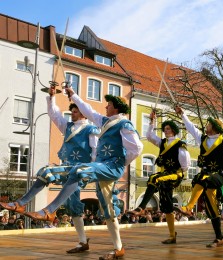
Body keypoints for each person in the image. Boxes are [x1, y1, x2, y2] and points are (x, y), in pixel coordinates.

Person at [24, 88, 143, 260]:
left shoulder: (118, 125)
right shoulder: (103, 122)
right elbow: (86, 110)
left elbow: (136, 148)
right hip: (92, 168)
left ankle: (118, 247)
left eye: (108, 105)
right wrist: (70, 95)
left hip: (99, 168)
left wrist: (118, 163)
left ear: (116, 108)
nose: (105, 107)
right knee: (78, 204)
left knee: (108, 208)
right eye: (71, 111)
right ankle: (83, 240)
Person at [0, 84, 98, 253]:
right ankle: (83, 242)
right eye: (72, 111)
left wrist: (91, 170)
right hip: (67, 168)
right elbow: (55, 115)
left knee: (46, 171)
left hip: (81, 169)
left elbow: (95, 152)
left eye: (75, 111)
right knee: (74, 207)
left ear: (83, 113)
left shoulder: (91, 129)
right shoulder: (68, 127)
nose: (72, 113)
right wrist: (52, 97)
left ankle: (21, 203)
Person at [173, 106, 223, 248]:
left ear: (214, 128)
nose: (206, 126)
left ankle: (189, 207)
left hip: (217, 176)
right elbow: (191, 128)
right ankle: (219, 237)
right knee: (211, 207)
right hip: (206, 176)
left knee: (203, 178)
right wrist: (182, 114)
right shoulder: (203, 139)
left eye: (208, 124)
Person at [129, 110, 190, 244]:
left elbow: (186, 164)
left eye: (168, 129)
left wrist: (177, 173)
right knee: (166, 206)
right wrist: (152, 121)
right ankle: (172, 235)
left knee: (153, 178)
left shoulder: (180, 144)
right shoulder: (162, 142)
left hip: (175, 174)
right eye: (164, 129)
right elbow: (149, 135)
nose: (166, 131)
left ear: (173, 130)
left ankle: (142, 207)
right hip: (164, 176)